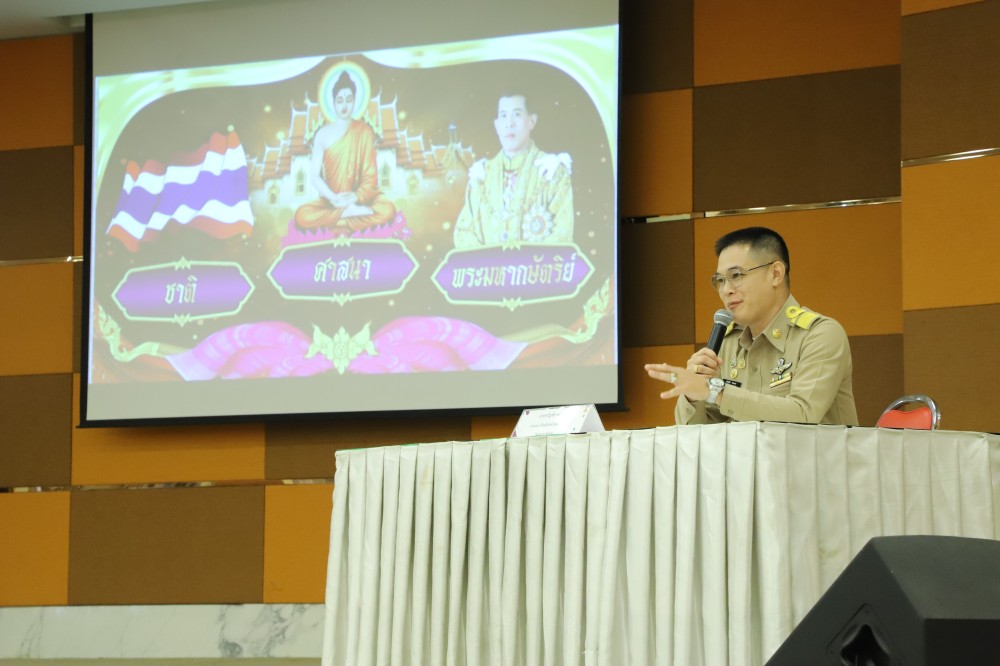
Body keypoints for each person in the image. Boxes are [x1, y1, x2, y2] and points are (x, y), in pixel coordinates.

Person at [645, 226, 859, 425]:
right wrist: (693, 394)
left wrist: (715, 392)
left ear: (775, 274)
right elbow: (698, 436)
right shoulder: (727, 344)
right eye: (720, 280)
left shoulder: (819, 335)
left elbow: (804, 414)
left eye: (736, 276)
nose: (726, 290)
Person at [453, 93, 573, 248]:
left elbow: (562, 234)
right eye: (503, 116)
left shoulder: (552, 172)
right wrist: (489, 260)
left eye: (517, 114)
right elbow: (463, 232)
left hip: (536, 264)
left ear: (532, 121)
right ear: (497, 125)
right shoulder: (481, 176)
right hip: (488, 265)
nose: (509, 123)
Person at [294, 71, 395, 232]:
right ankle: (346, 214)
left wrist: (354, 197)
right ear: (333, 103)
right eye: (340, 101)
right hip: (331, 202)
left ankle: (340, 216)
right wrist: (334, 198)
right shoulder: (322, 134)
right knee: (302, 215)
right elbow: (314, 176)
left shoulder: (364, 131)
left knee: (387, 209)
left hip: (359, 200)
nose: (344, 106)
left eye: (349, 100)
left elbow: (370, 177)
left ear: (355, 101)